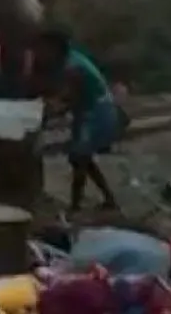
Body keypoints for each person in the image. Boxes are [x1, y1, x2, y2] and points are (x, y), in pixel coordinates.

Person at [31, 28, 121, 214]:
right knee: (82, 158)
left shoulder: (72, 68)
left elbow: (68, 99)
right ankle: (108, 199)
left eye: (42, 48)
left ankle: (75, 206)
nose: (39, 53)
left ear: (54, 48)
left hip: (97, 112)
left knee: (78, 157)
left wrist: (44, 115)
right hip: (89, 110)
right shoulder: (69, 59)